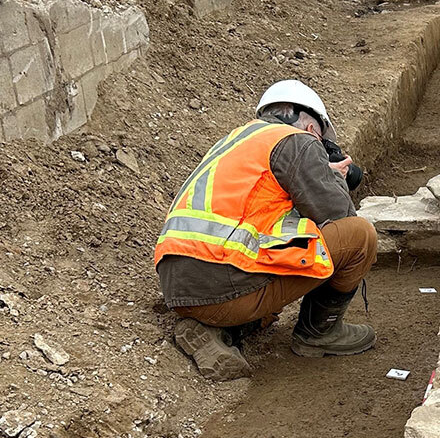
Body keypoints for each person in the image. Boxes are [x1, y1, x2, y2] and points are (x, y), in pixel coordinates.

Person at [154, 80, 378, 382]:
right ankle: (318, 332)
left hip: (179, 286)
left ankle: (215, 330)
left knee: (280, 258)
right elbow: (339, 217)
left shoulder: (236, 141)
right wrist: (332, 175)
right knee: (360, 236)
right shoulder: (298, 141)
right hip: (226, 287)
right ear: (313, 128)